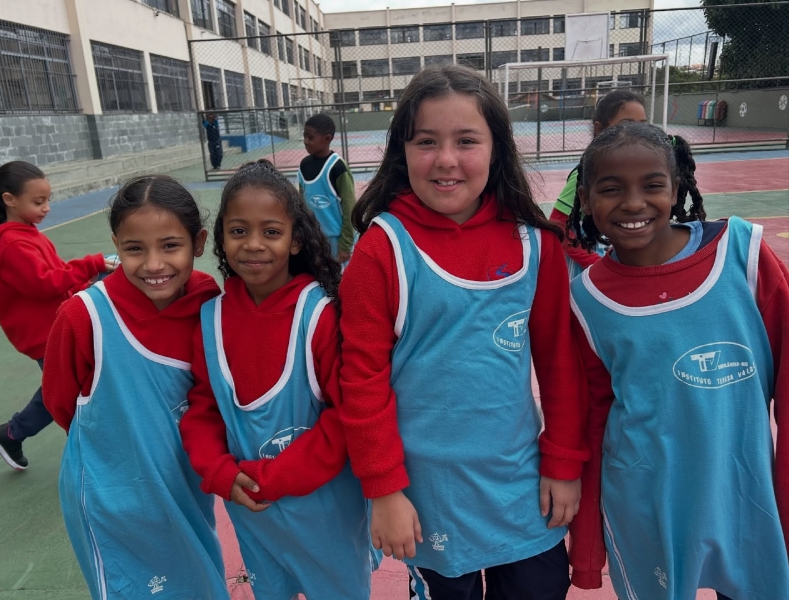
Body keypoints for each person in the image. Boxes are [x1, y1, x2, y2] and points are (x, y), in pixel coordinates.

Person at [338, 64, 589, 600]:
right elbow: (361, 381)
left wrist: (565, 461)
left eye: (466, 141)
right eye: (426, 141)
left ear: (496, 148)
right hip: (427, 497)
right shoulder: (382, 250)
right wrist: (384, 489)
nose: (446, 159)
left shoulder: (535, 244)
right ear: (402, 151)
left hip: (521, 488)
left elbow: (560, 363)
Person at [567, 122, 789, 599]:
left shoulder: (743, 255)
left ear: (676, 188)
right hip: (646, 506)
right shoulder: (586, 300)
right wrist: (586, 547)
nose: (633, 203)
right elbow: (594, 419)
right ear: (585, 199)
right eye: (611, 189)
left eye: (652, 185)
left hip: (745, 497)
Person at [179, 163, 376, 600]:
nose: (253, 244)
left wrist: (272, 477)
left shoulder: (319, 315)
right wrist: (219, 472)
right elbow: (203, 409)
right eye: (238, 231)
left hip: (325, 519)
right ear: (221, 239)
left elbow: (346, 417)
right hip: (253, 514)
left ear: (295, 239)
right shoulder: (210, 320)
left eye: (270, 232)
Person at [42, 175, 227, 599]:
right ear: (116, 245)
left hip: (183, 488)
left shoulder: (207, 302)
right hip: (114, 501)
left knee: (201, 585)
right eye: (134, 249)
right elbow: (61, 404)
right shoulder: (84, 316)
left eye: (170, 245)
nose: (154, 264)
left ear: (198, 243)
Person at [0, 161, 114, 471]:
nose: (46, 207)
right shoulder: (12, 243)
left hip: (56, 325)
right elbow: (45, 283)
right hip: (44, 333)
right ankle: (20, 434)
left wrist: (83, 285)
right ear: (10, 200)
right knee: (67, 391)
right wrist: (91, 264)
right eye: (38, 201)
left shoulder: (28, 233)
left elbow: (56, 275)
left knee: (65, 386)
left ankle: (12, 434)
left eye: (47, 199)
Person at [549, 89, 647, 279]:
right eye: (627, 124)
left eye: (643, 125)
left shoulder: (644, 174)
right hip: (588, 271)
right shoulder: (585, 175)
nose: (637, 133)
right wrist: (595, 263)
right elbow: (559, 225)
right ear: (600, 129)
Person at [298, 113, 356, 264]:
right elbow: (300, 203)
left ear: (327, 139)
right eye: (304, 136)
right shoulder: (304, 165)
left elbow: (349, 208)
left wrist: (345, 244)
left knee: (337, 277)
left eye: (310, 137)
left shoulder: (338, 168)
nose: (305, 141)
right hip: (312, 239)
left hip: (336, 242)